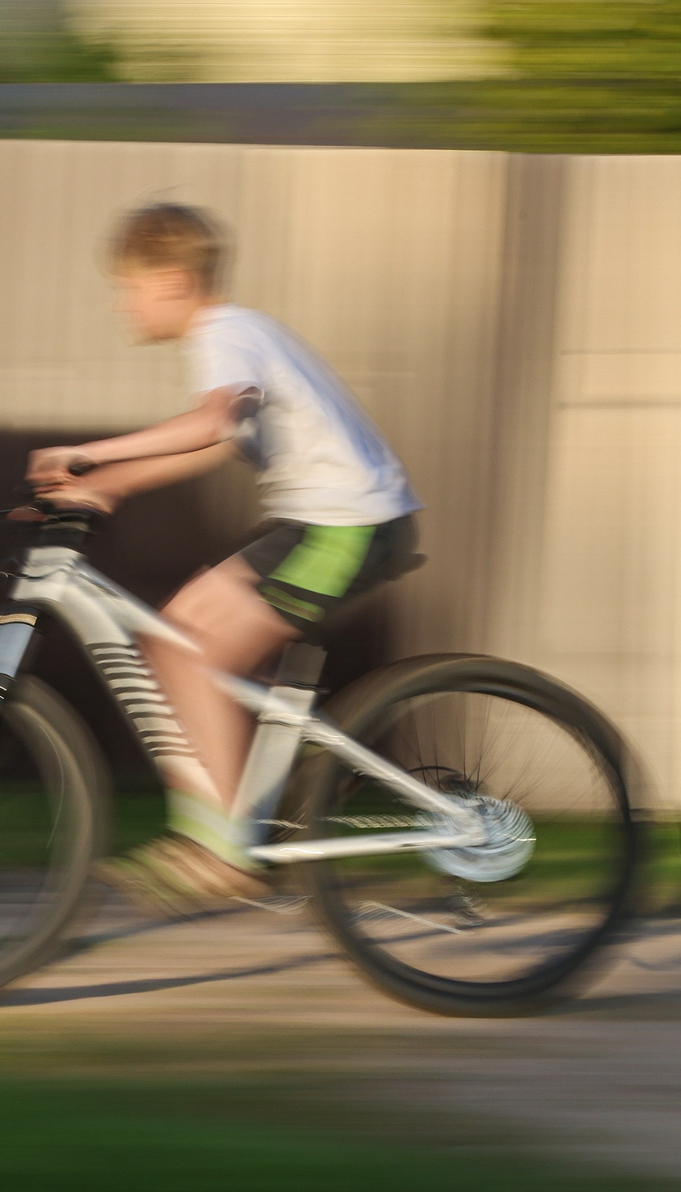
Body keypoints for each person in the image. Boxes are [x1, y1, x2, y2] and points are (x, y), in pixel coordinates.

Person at [27, 203, 420, 914]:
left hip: (346, 527)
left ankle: (221, 847)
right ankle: (291, 781)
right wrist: (105, 488)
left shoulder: (226, 331)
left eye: (130, 287)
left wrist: (89, 454)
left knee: (190, 655)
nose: (124, 303)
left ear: (174, 281)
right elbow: (216, 441)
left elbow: (208, 422)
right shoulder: (236, 336)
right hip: (321, 523)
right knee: (174, 640)